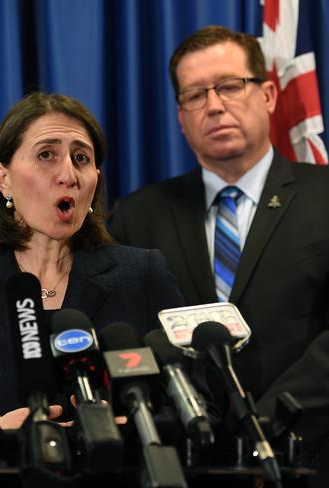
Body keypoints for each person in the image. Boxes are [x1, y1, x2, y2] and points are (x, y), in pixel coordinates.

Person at [109, 25, 329, 486]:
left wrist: (264, 422)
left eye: (230, 86)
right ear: (180, 117)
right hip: (186, 464)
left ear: (268, 95)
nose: (214, 105)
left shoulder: (323, 196)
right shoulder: (138, 215)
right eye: (195, 95)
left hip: (310, 455)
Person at [0, 92, 183, 432]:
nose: (68, 175)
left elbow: (198, 408)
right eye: (46, 155)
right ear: (4, 180)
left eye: (81, 158)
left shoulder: (142, 275)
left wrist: (135, 426)